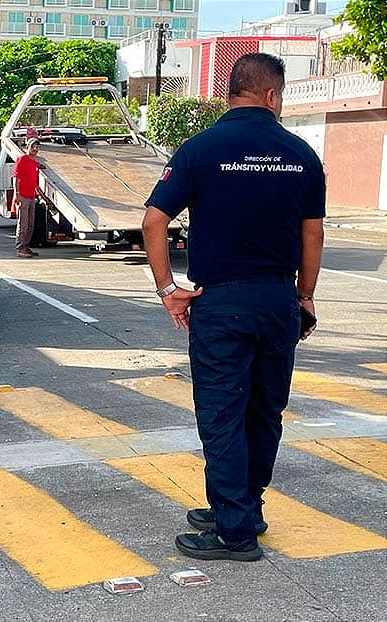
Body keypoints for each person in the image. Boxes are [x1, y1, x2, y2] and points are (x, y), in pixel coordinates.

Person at [141, 52, 325, 562]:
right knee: (264, 411)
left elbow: (154, 221)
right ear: (272, 95)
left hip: (221, 302)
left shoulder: (200, 149)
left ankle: (234, 532)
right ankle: (244, 507)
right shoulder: (302, 154)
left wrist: (167, 288)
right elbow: (313, 235)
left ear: (231, 93)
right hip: (278, 300)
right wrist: (305, 296)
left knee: (223, 414)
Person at [12, 137, 41, 258]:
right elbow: (16, 177)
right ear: (26, 148)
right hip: (23, 196)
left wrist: (42, 196)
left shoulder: (35, 163)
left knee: (30, 224)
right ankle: (20, 248)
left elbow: (36, 183)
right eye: (32, 146)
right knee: (23, 224)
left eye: (37, 147)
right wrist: (17, 193)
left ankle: (26, 246)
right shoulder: (22, 159)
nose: (35, 149)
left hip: (31, 196)